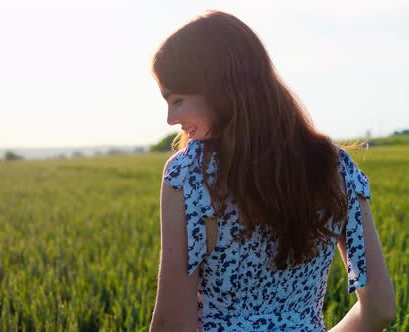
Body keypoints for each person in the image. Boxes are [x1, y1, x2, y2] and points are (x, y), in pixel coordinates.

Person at [149, 10, 396, 332]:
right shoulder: (335, 166)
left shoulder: (189, 175)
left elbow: (172, 324)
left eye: (177, 100)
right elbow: (379, 309)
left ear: (220, 88)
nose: (170, 119)